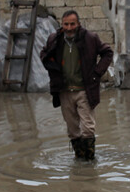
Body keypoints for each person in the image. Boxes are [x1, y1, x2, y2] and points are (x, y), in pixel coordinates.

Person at [40, 10, 113, 161]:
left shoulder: (90, 38)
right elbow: (44, 55)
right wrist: (53, 69)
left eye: (72, 24)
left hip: (84, 90)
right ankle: (79, 161)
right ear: (62, 24)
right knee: (73, 130)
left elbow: (107, 53)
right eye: (66, 24)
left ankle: (89, 163)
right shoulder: (55, 39)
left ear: (78, 24)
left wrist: (97, 73)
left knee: (88, 128)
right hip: (64, 91)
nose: (69, 28)